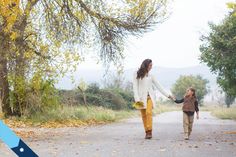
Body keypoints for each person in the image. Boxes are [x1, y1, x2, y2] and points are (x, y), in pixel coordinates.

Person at [133, 59, 173, 139]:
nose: (151, 67)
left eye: (152, 65)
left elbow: (159, 86)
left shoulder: (151, 76)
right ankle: (147, 132)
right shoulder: (136, 74)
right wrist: (137, 99)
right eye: (150, 65)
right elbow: (135, 88)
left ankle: (150, 131)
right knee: (144, 115)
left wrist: (168, 95)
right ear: (146, 65)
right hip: (140, 99)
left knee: (149, 112)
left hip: (150, 98)